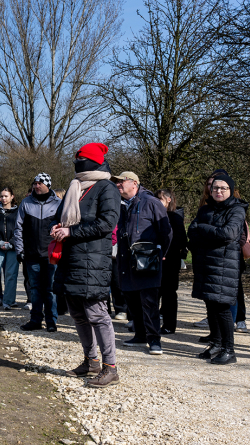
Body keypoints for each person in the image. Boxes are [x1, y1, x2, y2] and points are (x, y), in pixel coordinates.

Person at [50, 143, 122, 388]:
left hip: (93, 262)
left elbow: (105, 224)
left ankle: (110, 367)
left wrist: (70, 231)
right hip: (71, 260)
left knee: (97, 314)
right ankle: (90, 361)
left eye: (81, 159)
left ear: (92, 161)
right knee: (79, 314)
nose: (77, 163)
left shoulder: (107, 188)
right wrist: (57, 226)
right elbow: (61, 215)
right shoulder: (75, 186)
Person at [188, 171, 247, 365]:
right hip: (205, 264)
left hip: (224, 266)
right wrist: (207, 233)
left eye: (223, 188)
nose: (218, 191)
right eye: (215, 188)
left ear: (231, 190)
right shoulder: (205, 209)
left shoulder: (237, 210)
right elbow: (192, 232)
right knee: (210, 306)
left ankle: (229, 350)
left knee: (222, 308)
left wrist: (204, 229)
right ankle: (216, 343)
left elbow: (228, 234)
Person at [113, 172, 172, 355]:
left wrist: (161, 252)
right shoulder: (123, 205)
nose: (118, 185)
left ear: (134, 183)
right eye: (117, 182)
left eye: (122, 181)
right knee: (131, 299)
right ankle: (140, 335)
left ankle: (154, 340)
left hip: (147, 260)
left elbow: (166, 232)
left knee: (149, 302)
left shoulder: (151, 202)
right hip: (126, 261)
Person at [14, 173, 62, 332]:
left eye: (39, 183)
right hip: (31, 254)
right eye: (34, 183)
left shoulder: (58, 204)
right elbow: (18, 228)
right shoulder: (25, 203)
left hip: (51, 255)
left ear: (47, 184)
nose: (36, 186)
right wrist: (19, 249)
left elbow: (64, 227)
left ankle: (51, 321)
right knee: (34, 289)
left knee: (50, 289)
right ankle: (35, 319)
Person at [155, 189, 187, 335]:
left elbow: (180, 239)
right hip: (157, 259)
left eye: (160, 199)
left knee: (168, 294)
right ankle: (151, 323)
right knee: (154, 293)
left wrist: (166, 253)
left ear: (168, 199)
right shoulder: (154, 216)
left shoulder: (174, 217)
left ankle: (169, 325)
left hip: (170, 261)